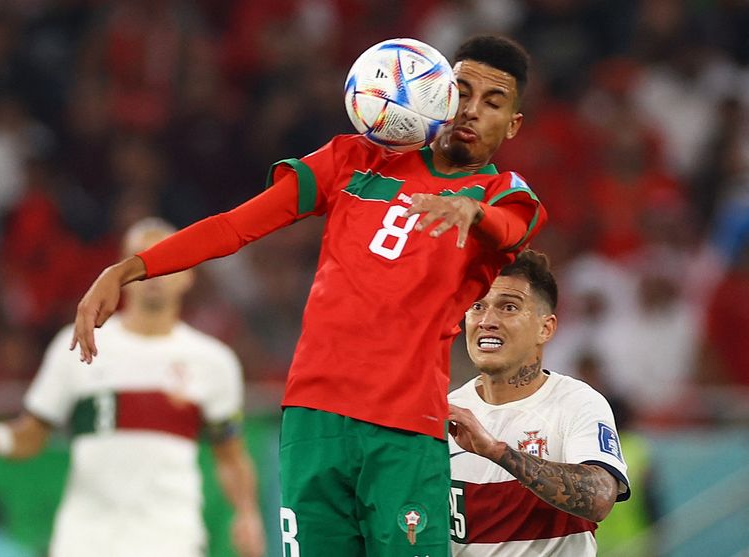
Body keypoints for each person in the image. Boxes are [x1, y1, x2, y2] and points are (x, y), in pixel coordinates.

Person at [72, 35, 547, 556]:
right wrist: (130, 269)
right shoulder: (353, 160)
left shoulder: (501, 194)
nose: (472, 111)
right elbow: (235, 227)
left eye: (493, 102)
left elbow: (510, 228)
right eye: (462, 92)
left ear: (513, 124)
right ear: (438, 95)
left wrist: (472, 211)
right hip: (313, 418)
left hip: (406, 428)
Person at [0, 218, 266, 557]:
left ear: (188, 274)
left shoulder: (213, 362)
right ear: (122, 272)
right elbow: (33, 433)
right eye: (141, 259)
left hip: (171, 539)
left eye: (166, 258)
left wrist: (247, 514)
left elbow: (231, 456)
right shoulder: (77, 342)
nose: (154, 273)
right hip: (86, 540)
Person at [447, 250, 630, 556]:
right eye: (477, 306)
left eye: (508, 307)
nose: (487, 321)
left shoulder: (577, 403)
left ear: (545, 328)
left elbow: (600, 498)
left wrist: (497, 452)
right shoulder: (444, 411)